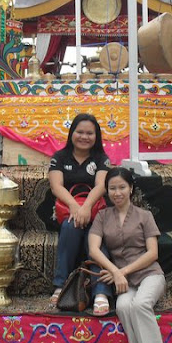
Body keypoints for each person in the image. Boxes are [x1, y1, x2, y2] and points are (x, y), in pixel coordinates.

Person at [88, 167, 171, 343]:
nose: (117, 193)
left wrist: (121, 272)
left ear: (131, 188)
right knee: (124, 306)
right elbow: (94, 250)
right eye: (112, 188)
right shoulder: (102, 216)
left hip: (150, 275)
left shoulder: (145, 216)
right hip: (125, 280)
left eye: (122, 187)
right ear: (107, 191)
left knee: (141, 304)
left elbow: (152, 253)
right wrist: (116, 272)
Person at [49, 113, 112, 315]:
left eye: (89, 133)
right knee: (71, 226)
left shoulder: (101, 159)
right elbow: (56, 186)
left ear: (96, 136)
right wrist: (75, 207)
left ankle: (101, 292)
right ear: (72, 133)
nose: (84, 137)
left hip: (95, 211)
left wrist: (86, 208)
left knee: (95, 235)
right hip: (69, 211)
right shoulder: (59, 157)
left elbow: (101, 185)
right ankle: (61, 285)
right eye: (80, 132)